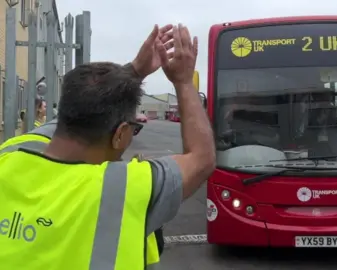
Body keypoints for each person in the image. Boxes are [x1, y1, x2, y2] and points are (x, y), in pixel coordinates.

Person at [0, 23, 215, 270]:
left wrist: (134, 70)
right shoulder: (123, 188)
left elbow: (79, 109)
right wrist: (184, 82)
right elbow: (202, 157)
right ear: (120, 134)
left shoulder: (11, 152)